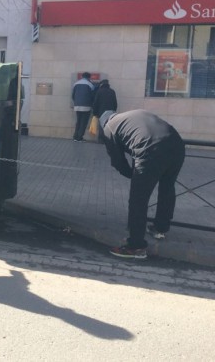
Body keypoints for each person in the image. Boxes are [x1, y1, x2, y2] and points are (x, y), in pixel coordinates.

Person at [99, 109, 185, 259]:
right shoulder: (130, 116)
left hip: (151, 150)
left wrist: (133, 176)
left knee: (138, 199)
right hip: (177, 145)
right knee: (167, 187)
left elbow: (118, 161)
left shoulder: (109, 127)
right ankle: (160, 228)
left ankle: (136, 246)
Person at [71, 72, 95, 142]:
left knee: (78, 121)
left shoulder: (76, 83)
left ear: (82, 76)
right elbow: (92, 96)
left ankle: (75, 137)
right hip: (86, 106)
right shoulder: (90, 84)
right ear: (89, 77)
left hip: (77, 106)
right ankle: (80, 137)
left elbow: (73, 95)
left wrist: (76, 102)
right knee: (83, 122)